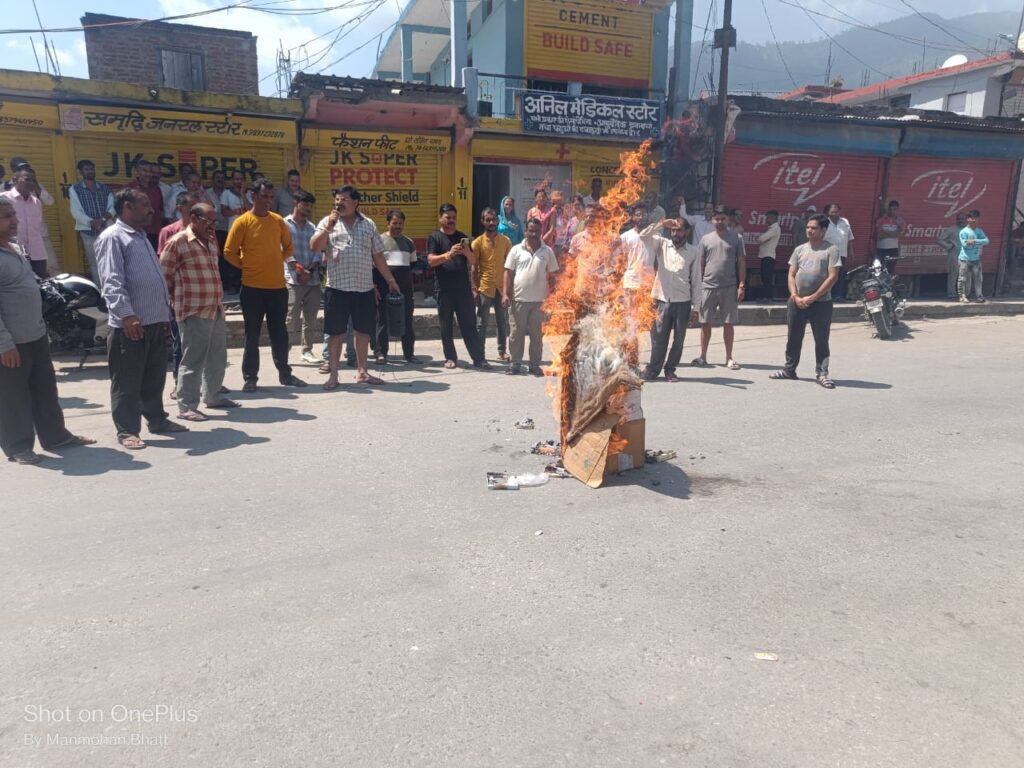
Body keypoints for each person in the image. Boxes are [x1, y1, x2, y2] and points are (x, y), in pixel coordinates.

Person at [0, 198, 95, 464]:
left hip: (35, 334)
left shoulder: (15, 248)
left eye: (13, 215)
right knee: (13, 397)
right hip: (12, 342)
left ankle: (56, 437)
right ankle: (18, 447)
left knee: (45, 390)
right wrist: (4, 344)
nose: (15, 221)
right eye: (7, 216)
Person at [95, 188, 187, 449]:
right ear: (127, 207)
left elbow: (152, 278)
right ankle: (126, 430)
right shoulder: (113, 237)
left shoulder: (141, 237)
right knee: (127, 380)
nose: (151, 209)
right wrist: (126, 315)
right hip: (131, 324)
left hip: (155, 320)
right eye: (145, 204)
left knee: (154, 376)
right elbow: (112, 282)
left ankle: (157, 420)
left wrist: (163, 313)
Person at [311, 185, 400, 389]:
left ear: (355, 202)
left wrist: (390, 281)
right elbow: (314, 246)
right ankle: (334, 375)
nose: (339, 203)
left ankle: (362, 372)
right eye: (337, 200)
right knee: (335, 333)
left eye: (344, 199)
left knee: (362, 331)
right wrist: (328, 227)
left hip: (363, 288)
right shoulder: (328, 222)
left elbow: (377, 255)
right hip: (337, 288)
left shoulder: (368, 224)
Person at [223, 179, 306, 392]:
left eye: (271, 197)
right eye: (265, 196)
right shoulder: (242, 222)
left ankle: (285, 375)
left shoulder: (278, 221)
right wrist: (246, 265)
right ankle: (250, 378)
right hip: (251, 288)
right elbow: (228, 252)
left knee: (279, 333)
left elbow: (288, 247)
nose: (269, 201)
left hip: (277, 288)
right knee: (252, 334)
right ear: (253, 196)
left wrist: (282, 260)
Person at [160, 202, 238, 421]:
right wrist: (172, 303)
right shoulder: (177, 242)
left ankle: (212, 396)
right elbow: (163, 277)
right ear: (193, 218)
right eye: (209, 221)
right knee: (193, 359)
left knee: (217, 356)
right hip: (192, 309)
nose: (213, 226)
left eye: (215, 222)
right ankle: (186, 406)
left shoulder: (212, 241)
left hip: (215, 307)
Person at [770, 213, 840, 388]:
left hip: (821, 303)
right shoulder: (800, 249)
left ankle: (822, 373)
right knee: (793, 337)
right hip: (797, 301)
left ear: (823, 230)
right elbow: (791, 274)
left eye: (814, 228)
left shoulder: (831, 250)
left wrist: (813, 297)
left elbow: (832, 277)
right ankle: (789, 370)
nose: (809, 230)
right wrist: (795, 296)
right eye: (808, 227)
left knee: (821, 339)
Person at [427, 203, 489, 370]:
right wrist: (448, 255)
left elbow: (474, 261)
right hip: (444, 290)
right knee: (446, 325)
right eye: (448, 217)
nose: (451, 220)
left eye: (454, 217)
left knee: (469, 324)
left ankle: (479, 358)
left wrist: (466, 252)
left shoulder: (463, 237)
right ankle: (450, 358)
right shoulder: (434, 237)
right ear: (441, 218)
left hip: (463, 290)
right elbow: (431, 261)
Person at [640, 218, 701, 382]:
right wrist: (661, 224)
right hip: (661, 299)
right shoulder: (662, 245)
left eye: (679, 230)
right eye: (673, 230)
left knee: (679, 339)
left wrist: (696, 308)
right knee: (658, 337)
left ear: (686, 232)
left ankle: (670, 370)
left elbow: (696, 280)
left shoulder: (694, 252)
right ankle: (653, 370)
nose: (675, 233)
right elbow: (643, 236)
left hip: (683, 301)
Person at [502, 218, 559, 375]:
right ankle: (515, 363)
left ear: (541, 232)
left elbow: (554, 274)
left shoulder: (547, 251)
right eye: (531, 231)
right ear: (526, 231)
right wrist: (505, 294)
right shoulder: (516, 250)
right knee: (516, 334)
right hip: (518, 299)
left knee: (536, 335)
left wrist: (553, 294)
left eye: (537, 231)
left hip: (540, 301)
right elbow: (508, 272)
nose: (534, 234)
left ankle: (534, 365)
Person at [693, 206, 746, 370]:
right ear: (712, 220)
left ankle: (729, 358)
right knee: (705, 323)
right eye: (717, 219)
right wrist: (698, 285)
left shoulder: (737, 238)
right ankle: (703, 357)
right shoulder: (705, 239)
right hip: (707, 286)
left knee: (728, 323)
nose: (720, 221)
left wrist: (741, 285)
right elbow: (700, 263)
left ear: (728, 219)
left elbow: (742, 262)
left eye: (723, 218)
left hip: (729, 287)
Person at [283, 190, 322, 365]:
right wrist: (299, 270)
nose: (308, 208)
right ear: (296, 203)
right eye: (305, 204)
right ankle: (284, 351)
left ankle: (307, 351)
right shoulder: (283, 224)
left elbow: (318, 252)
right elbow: (282, 250)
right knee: (290, 318)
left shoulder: (313, 227)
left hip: (312, 281)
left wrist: (310, 271)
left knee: (310, 318)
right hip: (292, 279)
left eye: (310, 206)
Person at [376, 209, 418, 363]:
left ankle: (409, 354)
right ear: (388, 223)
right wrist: (375, 286)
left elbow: (413, 265)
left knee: (407, 320)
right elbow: (374, 266)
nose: (398, 226)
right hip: (383, 288)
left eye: (400, 223)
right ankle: (381, 353)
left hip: (405, 290)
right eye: (394, 223)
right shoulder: (379, 241)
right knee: (382, 320)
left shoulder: (409, 242)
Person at [472, 207, 512, 362]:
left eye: (494, 219)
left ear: (498, 220)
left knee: (502, 322)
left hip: (501, 288)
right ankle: (479, 355)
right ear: (483, 222)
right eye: (488, 220)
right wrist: (474, 289)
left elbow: (509, 268)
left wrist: (509, 290)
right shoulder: (477, 243)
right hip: (485, 287)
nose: (491, 222)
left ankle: (502, 352)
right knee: (481, 323)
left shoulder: (506, 241)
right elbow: (474, 268)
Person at [69, 159, 114, 283]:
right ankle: (100, 291)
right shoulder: (75, 189)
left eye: (91, 169)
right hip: (88, 231)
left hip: (106, 229)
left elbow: (112, 208)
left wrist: (102, 220)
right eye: (86, 169)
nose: (90, 171)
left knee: (110, 260)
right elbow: (75, 211)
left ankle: (111, 287)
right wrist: (92, 222)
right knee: (94, 263)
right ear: (80, 172)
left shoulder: (105, 188)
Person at [1, 167, 50, 278]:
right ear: (15, 180)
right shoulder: (3, 200)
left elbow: (37, 227)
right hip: (13, 253)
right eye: (27, 179)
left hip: (37, 253)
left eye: (34, 180)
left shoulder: (36, 202)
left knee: (40, 288)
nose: (31, 183)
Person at [217, 170, 248, 296]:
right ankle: (234, 286)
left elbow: (251, 208)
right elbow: (224, 212)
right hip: (233, 230)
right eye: (236, 179)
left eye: (241, 179)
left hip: (248, 230)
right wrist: (236, 211)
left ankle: (245, 284)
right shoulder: (226, 193)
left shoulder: (250, 194)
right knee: (233, 259)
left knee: (247, 257)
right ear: (232, 180)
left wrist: (242, 194)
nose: (238, 181)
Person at [130, 161, 165, 251]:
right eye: (144, 171)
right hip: (139, 232)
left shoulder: (157, 188)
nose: (148, 174)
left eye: (150, 171)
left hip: (156, 232)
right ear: (137, 171)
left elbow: (160, 210)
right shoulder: (131, 188)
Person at [822, 203, 854, 301]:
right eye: (833, 212)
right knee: (827, 276)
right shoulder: (824, 222)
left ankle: (838, 296)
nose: (835, 214)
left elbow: (849, 237)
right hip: (828, 254)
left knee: (839, 276)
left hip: (842, 254)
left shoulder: (845, 222)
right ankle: (825, 295)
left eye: (837, 212)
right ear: (828, 213)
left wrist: (851, 250)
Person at [958, 209, 988, 303]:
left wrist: (975, 241)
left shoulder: (979, 231)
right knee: (963, 279)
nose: (975, 220)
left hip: (976, 259)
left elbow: (986, 241)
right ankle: (962, 296)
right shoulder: (963, 232)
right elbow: (965, 245)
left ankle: (979, 296)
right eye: (972, 218)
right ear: (968, 219)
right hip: (964, 259)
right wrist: (978, 242)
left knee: (978, 279)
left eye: (976, 218)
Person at [938, 212, 967, 300]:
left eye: (962, 219)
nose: (960, 220)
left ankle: (963, 294)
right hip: (954, 255)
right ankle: (952, 294)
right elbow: (939, 240)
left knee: (964, 276)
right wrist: (949, 246)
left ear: (966, 219)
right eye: (958, 219)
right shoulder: (952, 229)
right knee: (953, 275)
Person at [756, 209, 781, 302]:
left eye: (768, 217)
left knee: (767, 277)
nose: (766, 219)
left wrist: (760, 238)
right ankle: (764, 296)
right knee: (764, 277)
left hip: (768, 256)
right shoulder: (771, 229)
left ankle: (768, 297)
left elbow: (761, 239)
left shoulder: (775, 229)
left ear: (773, 218)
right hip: (764, 255)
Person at [875, 199, 904, 274]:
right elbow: (879, 235)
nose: (892, 211)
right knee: (878, 270)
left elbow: (900, 234)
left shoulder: (900, 221)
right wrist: (893, 233)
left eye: (894, 209)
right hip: (881, 249)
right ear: (887, 209)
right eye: (890, 209)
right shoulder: (881, 220)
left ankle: (888, 285)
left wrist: (886, 233)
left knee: (890, 271)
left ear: (897, 210)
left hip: (893, 249)